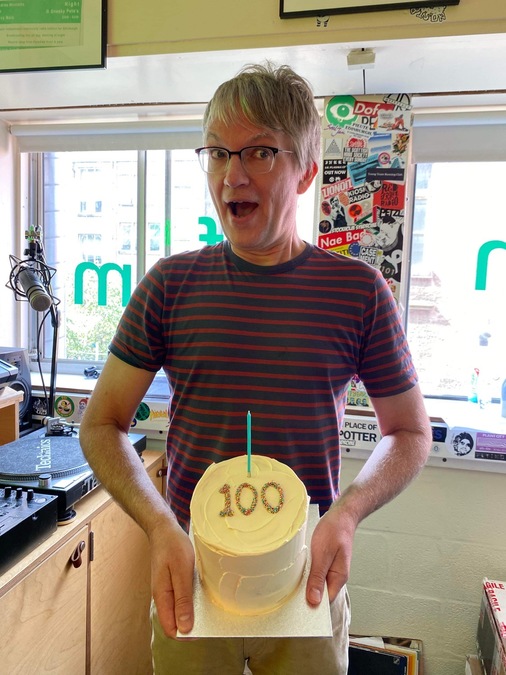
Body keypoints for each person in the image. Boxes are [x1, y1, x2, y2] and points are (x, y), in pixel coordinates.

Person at [80, 62, 432, 675]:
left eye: (259, 152)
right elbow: (101, 423)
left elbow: (410, 432)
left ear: (306, 172)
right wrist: (159, 525)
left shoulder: (358, 292)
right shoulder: (170, 285)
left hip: (306, 578)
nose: (231, 175)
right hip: (192, 576)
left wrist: (347, 512)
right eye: (217, 153)